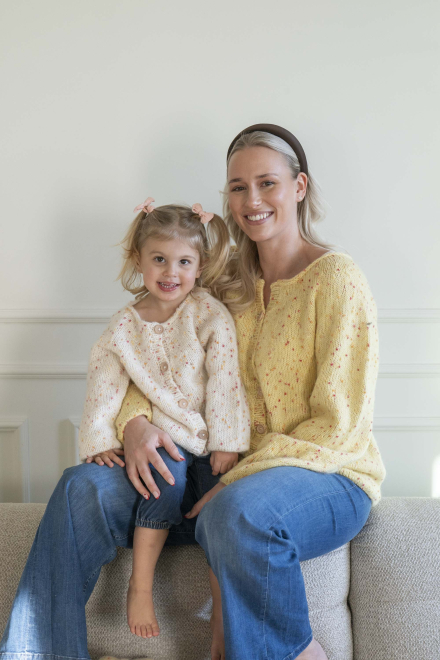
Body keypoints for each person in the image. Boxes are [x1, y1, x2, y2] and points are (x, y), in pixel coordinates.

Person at [117, 124, 386, 660]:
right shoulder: (220, 287)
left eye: (267, 183)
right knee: (213, 509)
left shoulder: (337, 279)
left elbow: (339, 422)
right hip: (229, 476)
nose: (252, 200)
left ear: (299, 187)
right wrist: (133, 422)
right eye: (238, 187)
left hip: (332, 474)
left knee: (236, 512)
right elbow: (152, 355)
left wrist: (239, 478)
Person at [80, 199, 250, 639]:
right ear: (138, 260)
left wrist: (227, 442)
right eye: (159, 259)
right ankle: (140, 587)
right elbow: (105, 383)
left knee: (221, 509)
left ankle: (221, 612)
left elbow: (225, 379)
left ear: (200, 266)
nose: (170, 272)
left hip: (210, 439)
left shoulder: (209, 314)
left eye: (183, 262)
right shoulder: (124, 326)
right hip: (166, 436)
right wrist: (99, 438)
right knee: (162, 484)